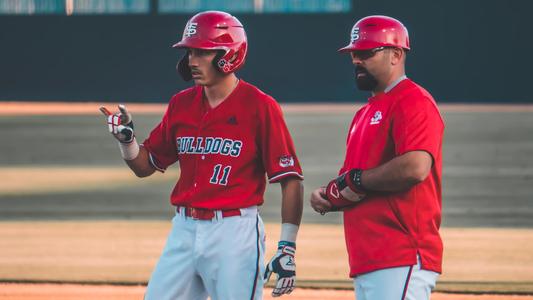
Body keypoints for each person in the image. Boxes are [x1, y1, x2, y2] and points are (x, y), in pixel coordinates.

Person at [100, 11, 303, 300]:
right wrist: (128, 141)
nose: (192, 61)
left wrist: (287, 247)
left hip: (234, 234)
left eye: (202, 52)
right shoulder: (181, 104)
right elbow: (146, 165)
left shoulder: (260, 106)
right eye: (190, 52)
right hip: (184, 228)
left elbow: (290, 180)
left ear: (229, 54)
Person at [309, 15, 444, 300]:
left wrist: (356, 180)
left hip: (401, 252)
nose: (357, 60)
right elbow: (355, 183)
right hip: (368, 257)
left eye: (367, 53)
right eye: (354, 54)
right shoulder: (364, 113)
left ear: (396, 54)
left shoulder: (413, 100)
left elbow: (415, 167)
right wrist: (331, 196)